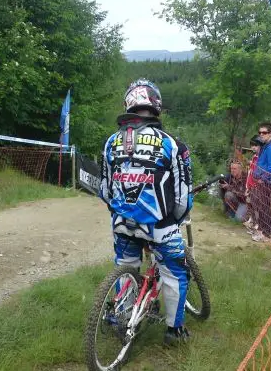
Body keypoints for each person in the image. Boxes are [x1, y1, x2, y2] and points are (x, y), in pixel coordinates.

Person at [99, 78, 193, 345]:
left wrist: (119, 210)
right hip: (160, 225)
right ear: (156, 105)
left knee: (127, 266)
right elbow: (183, 196)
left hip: (122, 222)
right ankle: (175, 331)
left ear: (129, 104)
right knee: (175, 273)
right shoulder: (172, 144)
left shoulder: (111, 142)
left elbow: (105, 189)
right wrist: (176, 219)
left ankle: (123, 313)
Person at [251, 122, 271, 242]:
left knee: (265, 207)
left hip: (268, 182)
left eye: (264, 132)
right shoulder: (266, 146)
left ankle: (266, 233)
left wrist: (262, 178)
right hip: (264, 180)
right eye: (259, 132)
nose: (261, 135)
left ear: (270, 133)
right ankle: (262, 230)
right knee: (262, 205)